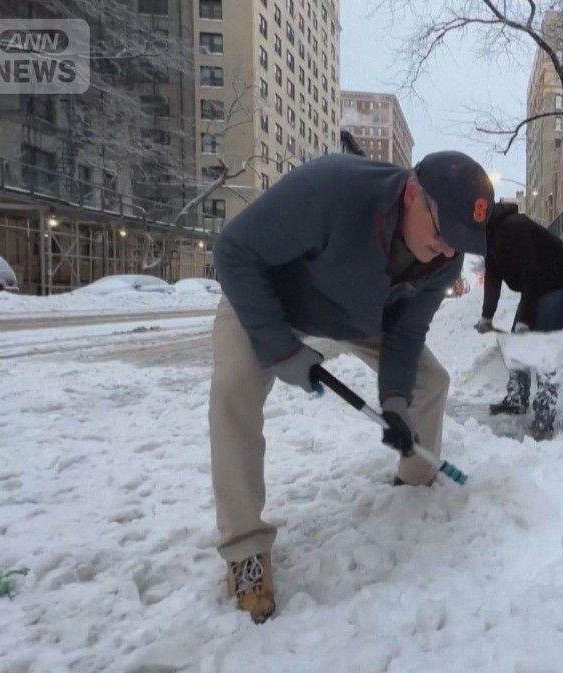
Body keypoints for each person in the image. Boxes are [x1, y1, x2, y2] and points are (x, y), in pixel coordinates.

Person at [210, 150, 493, 623]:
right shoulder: (331, 189)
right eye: (443, 232)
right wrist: (282, 349)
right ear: (411, 194)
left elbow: (405, 333)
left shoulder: (445, 260)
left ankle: (414, 481)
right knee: (233, 388)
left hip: (359, 313)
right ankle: (245, 551)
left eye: (459, 243)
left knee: (430, 382)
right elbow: (233, 251)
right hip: (269, 299)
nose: (448, 250)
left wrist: (396, 402)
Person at [474, 203, 563, 440]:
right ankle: (517, 399)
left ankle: (545, 416)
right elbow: (492, 278)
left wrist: (526, 320)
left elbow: (532, 273)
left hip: (561, 280)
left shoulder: (515, 229)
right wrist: (487, 315)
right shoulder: (491, 238)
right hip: (538, 284)